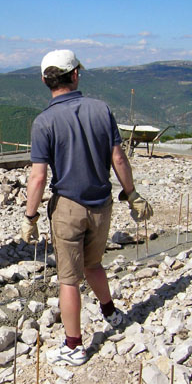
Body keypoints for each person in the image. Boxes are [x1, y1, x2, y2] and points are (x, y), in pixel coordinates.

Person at [21, 49, 153, 366]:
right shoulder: (101, 110)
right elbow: (118, 158)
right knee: (93, 265)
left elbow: (38, 177)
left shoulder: (44, 122)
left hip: (67, 208)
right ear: (76, 74)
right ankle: (110, 313)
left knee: (68, 279)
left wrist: (30, 216)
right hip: (102, 205)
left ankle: (74, 345)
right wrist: (132, 194)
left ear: (44, 81)